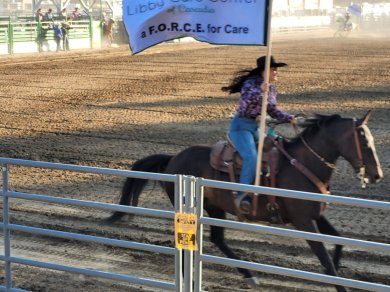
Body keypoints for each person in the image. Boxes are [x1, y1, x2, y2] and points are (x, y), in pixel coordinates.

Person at [222, 56, 296, 215]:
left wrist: (290, 118)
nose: (276, 72)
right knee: (251, 157)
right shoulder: (251, 84)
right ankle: (242, 194)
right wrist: (260, 90)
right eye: (273, 69)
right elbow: (246, 102)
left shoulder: (272, 89)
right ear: (264, 71)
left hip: (254, 126)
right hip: (240, 126)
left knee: (276, 146)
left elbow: (273, 111)